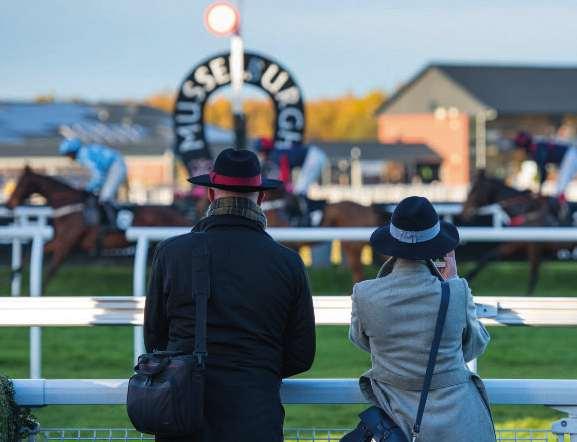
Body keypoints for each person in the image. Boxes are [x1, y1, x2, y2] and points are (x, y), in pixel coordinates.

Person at [144, 148, 316, 442]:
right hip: (256, 416)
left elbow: (155, 338)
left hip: (182, 414)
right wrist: (257, 369)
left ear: (211, 195)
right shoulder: (287, 262)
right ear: (260, 198)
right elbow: (301, 355)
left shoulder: (172, 253)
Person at [349, 196, 495, 442]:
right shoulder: (455, 291)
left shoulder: (365, 294)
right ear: (438, 247)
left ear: (392, 242)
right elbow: (474, 346)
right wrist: (452, 281)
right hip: (461, 424)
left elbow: (361, 340)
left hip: (396, 424)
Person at [254, 138, 328, 225]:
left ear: (265, 151)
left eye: (260, 152)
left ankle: (312, 215)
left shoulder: (275, 155)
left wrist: (286, 186)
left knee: (299, 191)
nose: (260, 155)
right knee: (298, 191)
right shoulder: (275, 153)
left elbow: (284, 171)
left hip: (314, 157)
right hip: (314, 155)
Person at [59, 138, 127, 227]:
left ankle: (115, 225)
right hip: (111, 166)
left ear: (73, 151)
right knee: (101, 195)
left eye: (68, 154)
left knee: (106, 197)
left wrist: (88, 188)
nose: (69, 158)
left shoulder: (84, 155)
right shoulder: (84, 152)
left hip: (116, 165)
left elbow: (98, 176)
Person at [513, 131, 577, 202]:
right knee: (560, 187)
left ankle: (561, 204)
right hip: (569, 155)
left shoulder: (537, 148)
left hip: (570, 155)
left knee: (560, 188)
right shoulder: (536, 146)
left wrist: (540, 189)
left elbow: (543, 170)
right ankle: (560, 202)